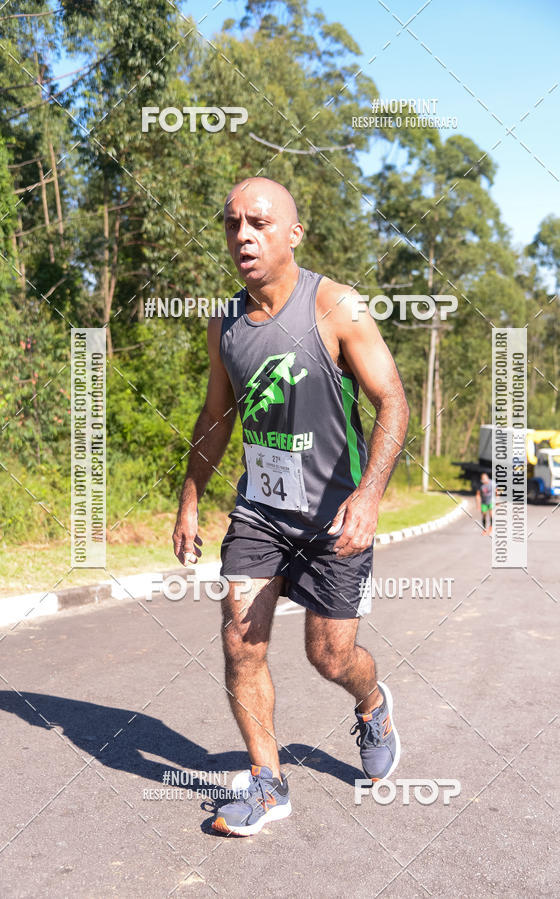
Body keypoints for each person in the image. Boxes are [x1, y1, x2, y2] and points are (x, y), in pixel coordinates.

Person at [172, 177, 409, 836]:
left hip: (334, 514)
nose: (243, 235)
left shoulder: (336, 306)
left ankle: (371, 702)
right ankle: (269, 782)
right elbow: (216, 416)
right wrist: (191, 496)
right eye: (232, 224)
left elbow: (393, 400)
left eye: (259, 222)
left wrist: (369, 496)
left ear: (294, 233)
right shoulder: (225, 321)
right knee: (239, 639)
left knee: (330, 655)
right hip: (260, 511)